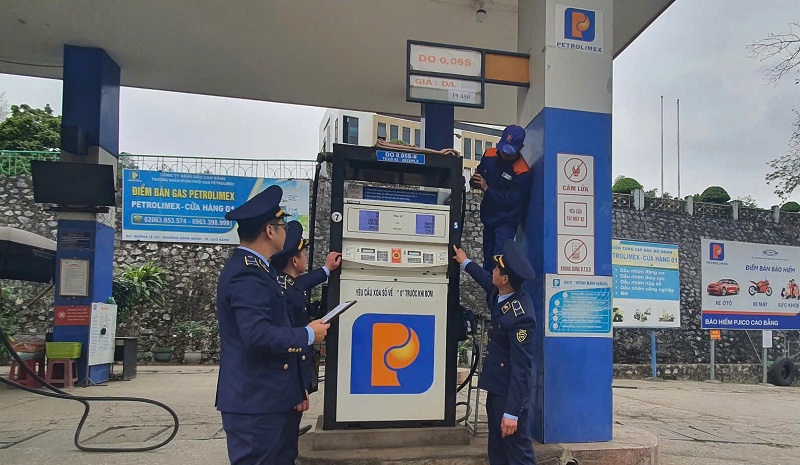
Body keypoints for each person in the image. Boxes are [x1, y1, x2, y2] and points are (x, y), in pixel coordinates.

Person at [215, 185, 330, 465]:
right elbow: (257, 335)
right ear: (269, 231)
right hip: (256, 403)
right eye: (282, 227)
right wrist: (308, 334)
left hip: (272, 398)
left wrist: (297, 388)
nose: (285, 233)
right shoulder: (246, 274)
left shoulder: (261, 270)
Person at [453, 239, 538, 465]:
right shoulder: (501, 292)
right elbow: (483, 278)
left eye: (497, 269)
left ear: (505, 279)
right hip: (497, 389)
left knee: (518, 454)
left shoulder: (521, 318)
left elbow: (522, 368)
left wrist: (512, 413)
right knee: (497, 451)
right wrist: (464, 261)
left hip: (510, 396)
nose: (493, 270)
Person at [270, 220, 342, 398]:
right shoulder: (289, 293)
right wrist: (299, 390)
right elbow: (293, 346)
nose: (306, 258)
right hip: (292, 382)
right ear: (295, 261)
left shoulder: (283, 283)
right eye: (304, 254)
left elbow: (301, 283)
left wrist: (327, 269)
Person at [470, 124, 532, 272]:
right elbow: (480, 175)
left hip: (506, 221)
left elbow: (511, 199)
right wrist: (475, 182)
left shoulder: (522, 171)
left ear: (520, 147)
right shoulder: (489, 154)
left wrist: (487, 188)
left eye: (510, 151)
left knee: (499, 261)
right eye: (503, 148)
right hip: (488, 217)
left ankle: (499, 287)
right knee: (487, 262)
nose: (505, 154)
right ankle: (488, 287)